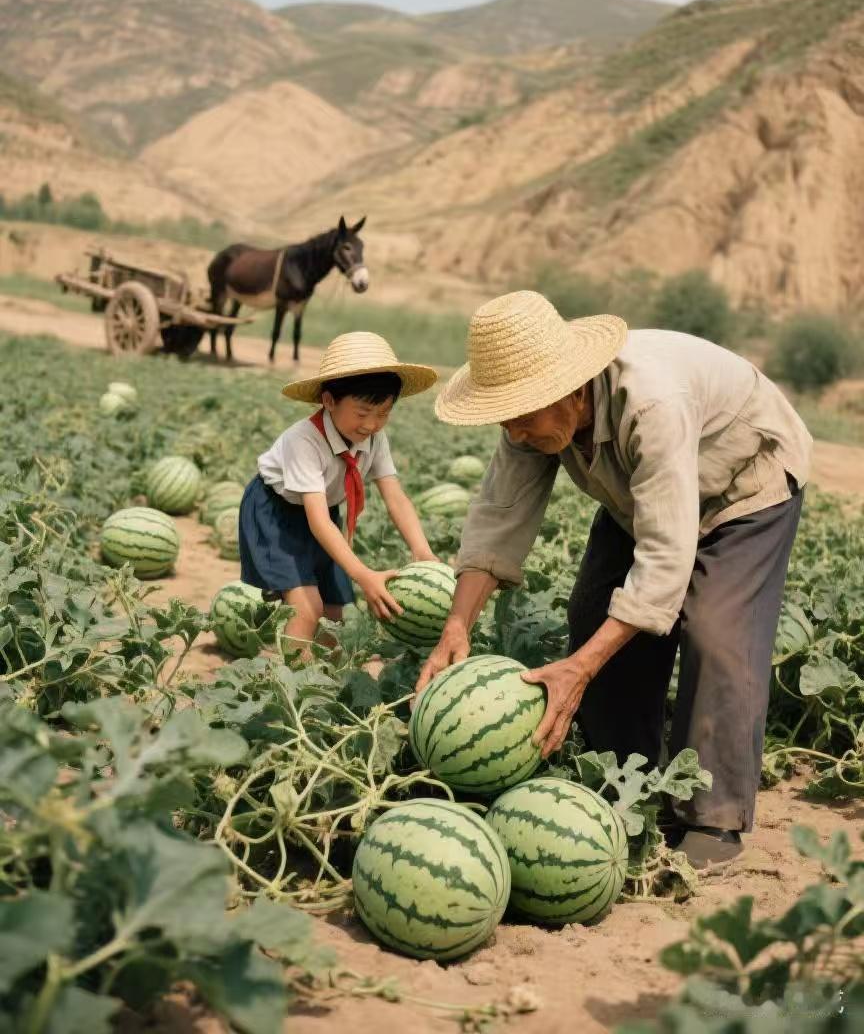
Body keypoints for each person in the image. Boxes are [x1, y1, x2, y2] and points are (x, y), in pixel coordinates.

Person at [418, 290, 812, 868]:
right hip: (645, 495)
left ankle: (714, 817)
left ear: (572, 391)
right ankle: (625, 778)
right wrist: (457, 625)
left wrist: (579, 669)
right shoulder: (530, 418)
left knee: (716, 633)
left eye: (522, 418)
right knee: (592, 610)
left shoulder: (651, 405)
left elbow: (666, 557)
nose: (515, 432)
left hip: (744, 483)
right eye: (506, 419)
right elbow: (500, 516)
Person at [239, 331, 439, 659]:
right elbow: (317, 521)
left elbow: (396, 498)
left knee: (337, 612)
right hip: (275, 513)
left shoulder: (375, 439)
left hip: (323, 514)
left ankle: (325, 675)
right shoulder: (304, 441)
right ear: (329, 401)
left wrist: (422, 550)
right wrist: (363, 575)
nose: (371, 424)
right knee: (307, 607)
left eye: (383, 413)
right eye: (362, 412)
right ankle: (293, 682)